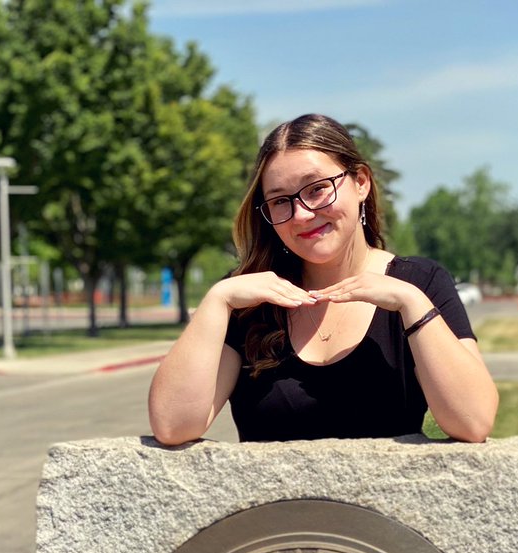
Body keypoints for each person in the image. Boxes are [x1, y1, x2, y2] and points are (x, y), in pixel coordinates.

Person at [148, 113, 498, 445]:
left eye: (316, 189)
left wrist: (412, 304)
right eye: (280, 201)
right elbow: (172, 425)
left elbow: (473, 422)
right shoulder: (248, 299)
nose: (301, 214)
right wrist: (217, 300)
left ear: (361, 183)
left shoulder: (421, 283)